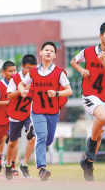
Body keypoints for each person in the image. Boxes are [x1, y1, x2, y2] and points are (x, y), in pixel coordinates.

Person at [70, 21, 105, 181]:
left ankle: (88, 163)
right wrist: (81, 70)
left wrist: (104, 62)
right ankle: (90, 143)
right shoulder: (87, 51)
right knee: (103, 118)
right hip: (89, 94)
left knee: (100, 133)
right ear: (101, 35)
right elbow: (74, 61)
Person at [18, 42, 73, 181]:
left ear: (54, 55)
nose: (48, 52)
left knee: (48, 141)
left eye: (51, 51)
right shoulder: (33, 72)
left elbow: (69, 91)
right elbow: (22, 83)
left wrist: (56, 93)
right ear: (41, 53)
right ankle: (42, 168)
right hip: (37, 111)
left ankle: (33, 130)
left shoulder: (59, 72)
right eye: (46, 50)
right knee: (41, 137)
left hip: (53, 112)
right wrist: (22, 90)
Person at [5, 54, 37, 180]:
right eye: (28, 68)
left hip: (29, 114)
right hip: (15, 114)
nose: (31, 71)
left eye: (33, 68)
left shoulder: (36, 78)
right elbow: (9, 96)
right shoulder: (15, 78)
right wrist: (21, 91)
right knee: (12, 143)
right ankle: (8, 165)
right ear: (23, 66)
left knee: (32, 138)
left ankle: (23, 165)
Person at [0, 61, 18, 174]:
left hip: (14, 118)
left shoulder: (18, 84)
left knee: (14, 141)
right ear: (3, 72)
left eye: (14, 70)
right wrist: (8, 102)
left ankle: (12, 165)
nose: (13, 73)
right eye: (10, 71)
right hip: (1, 119)